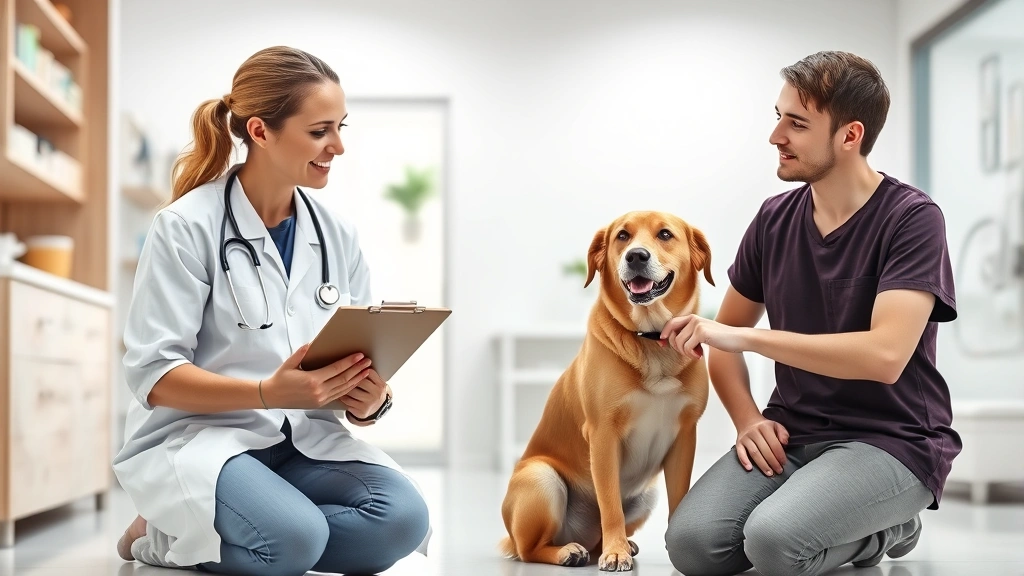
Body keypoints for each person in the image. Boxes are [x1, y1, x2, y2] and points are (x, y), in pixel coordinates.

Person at [112, 46, 430, 576]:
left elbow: (353, 357)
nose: (339, 146)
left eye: (341, 127)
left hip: (301, 440)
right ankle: (160, 537)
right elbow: (153, 373)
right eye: (320, 130)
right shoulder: (186, 226)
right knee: (293, 539)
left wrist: (371, 402)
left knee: (402, 521)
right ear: (260, 131)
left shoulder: (336, 234)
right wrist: (265, 392)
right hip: (202, 437)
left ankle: (253, 526)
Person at [660, 51, 960, 576]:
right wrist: (749, 420)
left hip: (892, 439)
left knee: (774, 543)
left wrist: (748, 339)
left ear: (850, 136)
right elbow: (722, 346)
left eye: (796, 123)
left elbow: (885, 356)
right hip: (794, 432)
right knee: (691, 546)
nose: (776, 136)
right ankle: (851, 515)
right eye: (777, 117)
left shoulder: (912, 220)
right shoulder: (774, 219)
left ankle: (892, 526)